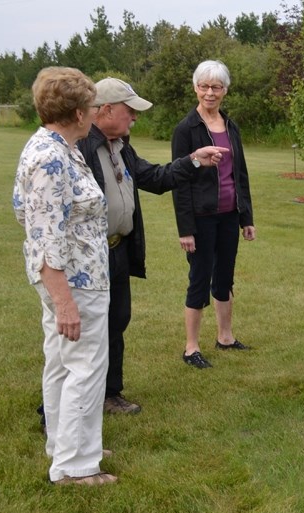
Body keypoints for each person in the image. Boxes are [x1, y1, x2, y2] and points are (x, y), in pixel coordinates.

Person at [77, 77, 229, 411]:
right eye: (129, 111)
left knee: (117, 321)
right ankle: (59, 409)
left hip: (117, 250)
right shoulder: (79, 147)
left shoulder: (120, 145)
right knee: (83, 333)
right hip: (88, 256)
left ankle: (109, 394)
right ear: (105, 110)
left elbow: (155, 178)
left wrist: (193, 160)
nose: (135, 118)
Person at [13, 66, 115, 485]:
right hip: (73, 281)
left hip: (76, 276)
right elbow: (44, 237)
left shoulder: (62, 148)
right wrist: (65, 302)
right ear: (76, 113)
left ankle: (67, 443)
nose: (94, 113)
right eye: (91, 107)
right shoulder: (50, 158)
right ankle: (74, 467)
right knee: (84, 366)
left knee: (60, 362)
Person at [171, 60, 256, 369]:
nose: (210, 92)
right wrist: (186, 229)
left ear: (225, 90)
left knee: (224, 278)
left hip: (228, 216)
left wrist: (246, 218)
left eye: (216, 87)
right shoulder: (186, 129)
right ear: (196, 88)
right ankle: (191, 347)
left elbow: (240, 174)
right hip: (201, 218)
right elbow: (179, 182)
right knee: (199, 278)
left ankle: (225, 337)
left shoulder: (231, 126)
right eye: (204, 86)